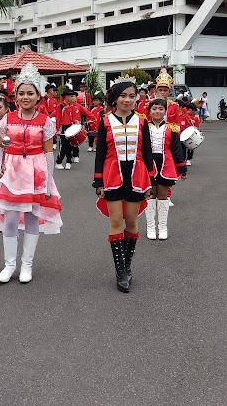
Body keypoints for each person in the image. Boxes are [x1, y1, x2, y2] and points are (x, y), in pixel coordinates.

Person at [0, 62, 62, 284]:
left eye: (30, 93)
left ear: (39, 96)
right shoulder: (6, 120)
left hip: (36, 172)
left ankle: (26, 264)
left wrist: (49, 181)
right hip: (12, 172)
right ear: (15, 96)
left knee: (31, 217)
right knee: (9, 218)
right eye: (21, 93)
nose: (26, 97)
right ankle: (10, 265)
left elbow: (49, 153)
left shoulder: (46, 122)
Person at [93, 76, 154, 293]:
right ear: (115, 99)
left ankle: (127, 265)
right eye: (123, 96)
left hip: (136, 175)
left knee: (132, 221)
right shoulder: (105, 121)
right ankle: (120, 271)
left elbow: (147, 151)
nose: (127, 100)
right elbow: (100, 153)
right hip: (112, 175)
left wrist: (150, 179)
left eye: (131, 96)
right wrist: (98, 180)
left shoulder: (142, 121)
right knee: (116, 220)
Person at [144, 99, 187, 240]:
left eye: (161, 109)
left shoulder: (172, 128)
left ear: (165, 111)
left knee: (163, 195)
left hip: (166, 163)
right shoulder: (143, 127)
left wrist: (182, 168)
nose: (157, 111)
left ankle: (162, 227)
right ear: (149, 111)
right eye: (154, 108)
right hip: (148, 164)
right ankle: (150, 227)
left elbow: (177, 149)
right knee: (150, 195)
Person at [55, 88, 80, 169]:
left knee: (69, 145)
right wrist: (58, 129)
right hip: (63, 127)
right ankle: (59, 162)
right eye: (70, 96)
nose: (72, 97)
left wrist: (75, 122)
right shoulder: (60, 106)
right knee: (63, 145)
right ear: (66, 97)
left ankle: (68, 161)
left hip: (70, 126)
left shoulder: (71, 106)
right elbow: (58, 118)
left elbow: (72, 118)